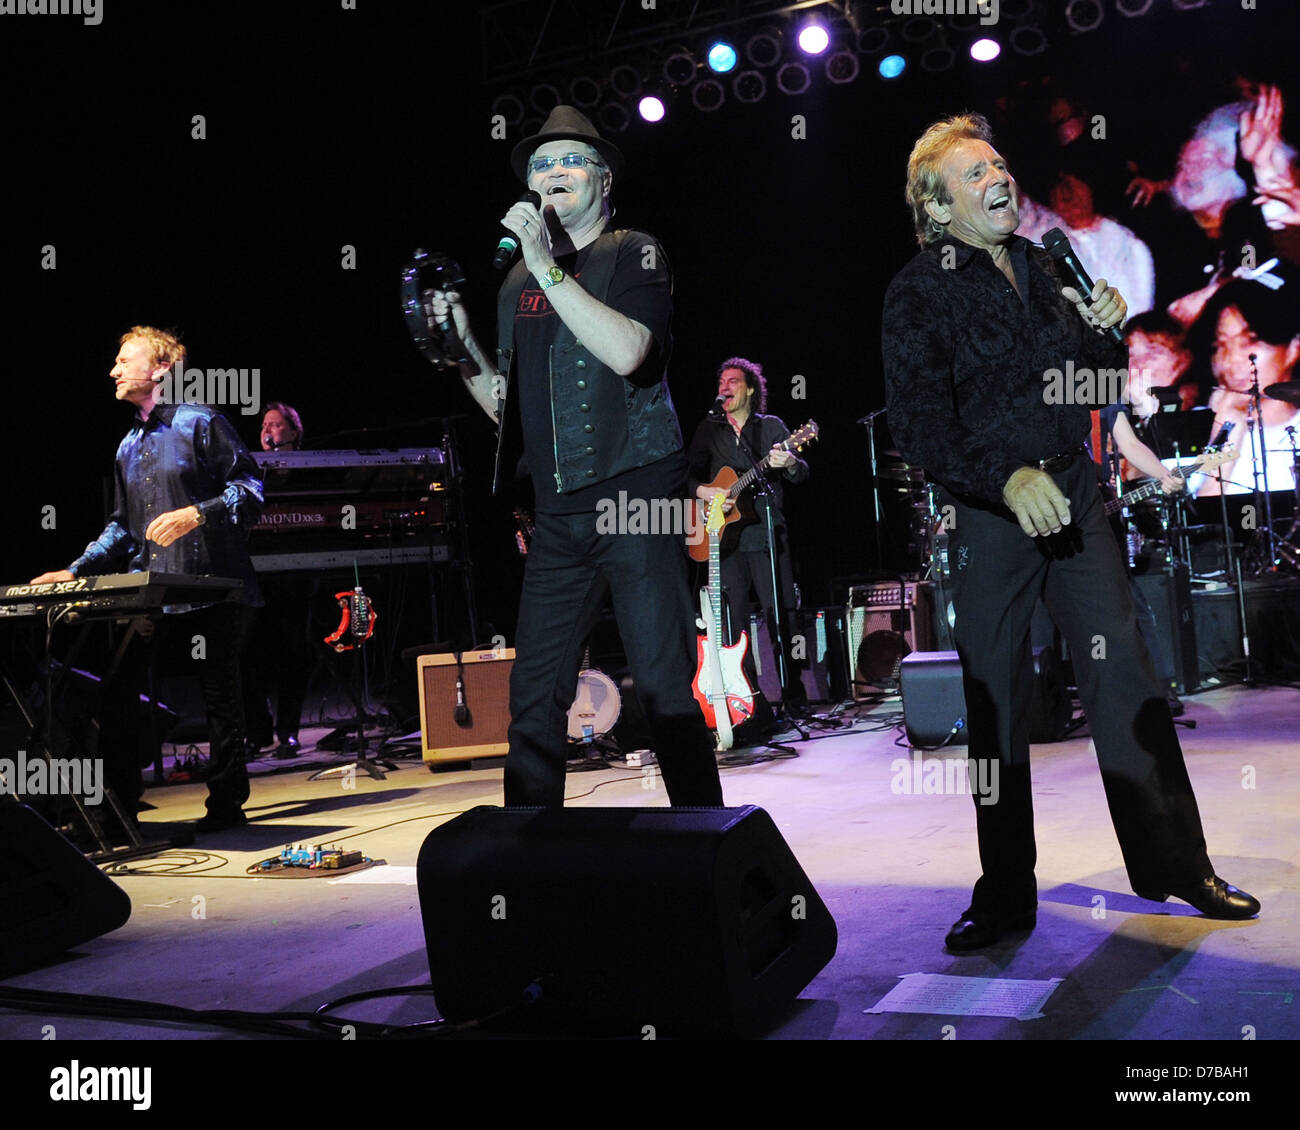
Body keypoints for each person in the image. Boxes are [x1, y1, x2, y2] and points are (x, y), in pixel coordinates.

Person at [880, 114, 1260, 951]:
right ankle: (1006, 890)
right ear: (938, 207)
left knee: (1125, 674)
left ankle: (1178, 864)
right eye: (976, 172)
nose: (1000, 177)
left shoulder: (1047, 262)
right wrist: (1003, 478)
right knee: (996, 699)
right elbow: (919, 423)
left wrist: (1104, 328)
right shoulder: (918, 288)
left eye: (999, 162)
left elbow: (1095, 384)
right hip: (994, 513)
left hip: (1075, 496)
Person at [426, 105, 723, 807]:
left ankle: (707, 847)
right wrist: (459, 347)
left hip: (639, 495)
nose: (552, 174)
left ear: (605, 180)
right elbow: (510, 412)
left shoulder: (633, 251)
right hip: (559, 511)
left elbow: (629, 351)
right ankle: (528, 854)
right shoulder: (511, 289)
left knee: (659, 683)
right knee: (533, 692)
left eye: (570, 162)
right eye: (540, 165)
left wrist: (548, 270)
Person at [29, 327, 264, 833]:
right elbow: (122, 526)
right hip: (150, 586)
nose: (113, 370)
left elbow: (251, 488)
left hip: (209, 586)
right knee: (119, 693)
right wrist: (75, 569)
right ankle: (119, 809)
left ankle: (226, 805)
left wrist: (196, 514)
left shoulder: (202, 421)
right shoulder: (127, 445)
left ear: (160, 368)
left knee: (221, 696)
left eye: (122, 359)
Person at [686, 357, 810, 725]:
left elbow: (801, 474)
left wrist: (787, 463)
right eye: (721, 381)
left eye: (733, 381)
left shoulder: (770, 427)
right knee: (734, 623)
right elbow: (687, 477)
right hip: (726, 542)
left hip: (766, 534)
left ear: (751, 389)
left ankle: (794, 696)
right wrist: (706, 492)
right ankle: (752, 703)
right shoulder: (709, 431)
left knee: (782, 616)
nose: (724, 386)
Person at [1188, 276, 1300, 498]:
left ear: (1293, 349)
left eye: (1249, 341)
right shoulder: (1193, 428)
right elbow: (1199, 521)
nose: (1231, 360)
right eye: (1221, 345)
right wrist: (1227, 431)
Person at [243, 400, 312, 759]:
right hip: (255, 574)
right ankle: (257, 732)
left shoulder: (310, 471)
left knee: (292, 655)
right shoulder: (249, 471)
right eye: (264, 426)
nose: (268, 432)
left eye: (276, 425)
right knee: (246, 652)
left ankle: (288, 733)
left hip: (294, 577)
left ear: (294, 433)